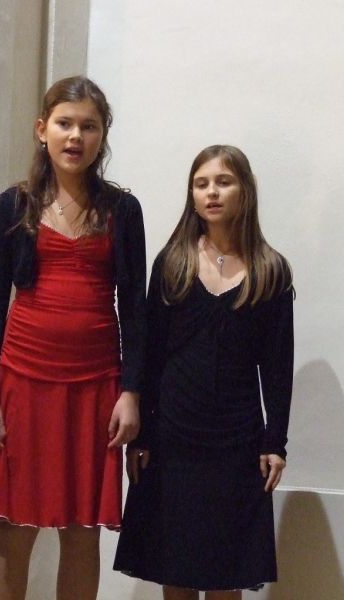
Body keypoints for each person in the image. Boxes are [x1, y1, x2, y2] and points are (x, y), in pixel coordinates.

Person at [0, 75, 146, 600]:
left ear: (102, 135)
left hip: (96, 387)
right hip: (22, 382)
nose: (75, 136)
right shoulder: (13, 205)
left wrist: (131, 391)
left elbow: (134, 309)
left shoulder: (123, 211)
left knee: (82, 530)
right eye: (65, 124)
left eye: (88, 126)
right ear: (41, 129)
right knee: (14, 527)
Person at [114, 145, 294, 600]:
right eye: (201, 184)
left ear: (244, 190)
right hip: (173, 437)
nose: (212, 192)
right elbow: (151, 354)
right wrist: (142, 436)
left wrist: (275, 441)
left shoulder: (270, 270)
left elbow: (277, 367)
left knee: (226, 570)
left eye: (223, 182)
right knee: (175, 566)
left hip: (237, 440)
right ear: (192, 196)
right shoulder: (172, 262)